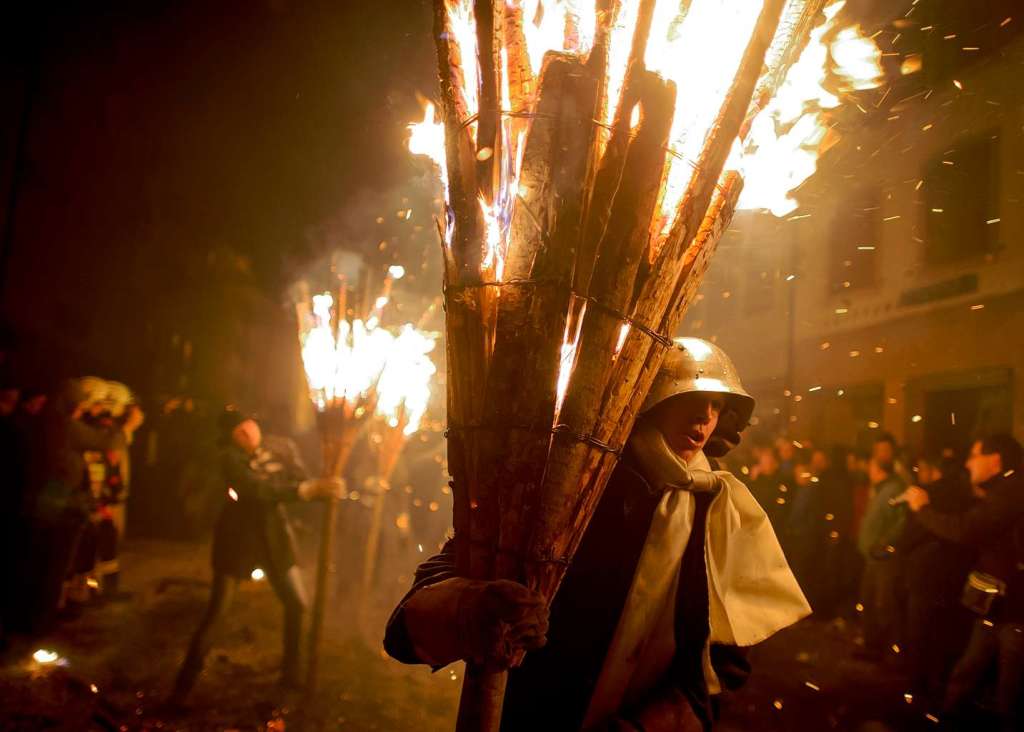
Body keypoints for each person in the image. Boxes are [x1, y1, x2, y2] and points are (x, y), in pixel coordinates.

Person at [384, 338, 809, 731]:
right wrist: (470, 607)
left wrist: (649, 725)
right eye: (692, 399)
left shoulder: (717, 508)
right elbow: (413, 620)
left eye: (716, 405)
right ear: (652, 402)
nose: (705, 417)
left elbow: (726, 661)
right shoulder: (574, 484)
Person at [170, 407, 344, 703]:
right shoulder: (229, 459)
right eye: (239, 431)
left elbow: (299, 480)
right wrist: (306, 490)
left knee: (297, 604)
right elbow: (257, 489)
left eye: (250, 426)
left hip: (274, 540)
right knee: (218, 613)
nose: (248, 433)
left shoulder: (280, 449)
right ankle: (182, 687)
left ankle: (291, 674)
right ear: (231, 437)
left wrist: (326, 486)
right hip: (237, 542)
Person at [904, 434, 1024, 731]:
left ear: (995, 460)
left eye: (974, 455)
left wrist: (922, 508)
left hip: (1015, 612)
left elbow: (965, 529)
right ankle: (947, 716)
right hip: (995, 608)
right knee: (968, 671)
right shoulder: (1002, 490)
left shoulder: (1011, 492)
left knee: (1010, 689)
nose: (968, 462)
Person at [900, 452, 975, 705]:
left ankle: (916, 690)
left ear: (931, 469)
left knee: (919, 634)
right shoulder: (969, 497)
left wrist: (900, 548)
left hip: (924, 574)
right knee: (943, 635)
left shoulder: (926, 496)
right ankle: (939, 686)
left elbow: (911, 534)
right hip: (953, 578)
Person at [855, 457, 906, 661]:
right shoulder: (880, 489)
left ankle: (887, 651)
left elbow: (901, 521)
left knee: (883, 603)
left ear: (879, 470)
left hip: (884, 558)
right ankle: (872, 646)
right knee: (869, 600)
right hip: (873, 557)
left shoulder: (892, 490)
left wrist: (884, 543)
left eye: (871, 467)